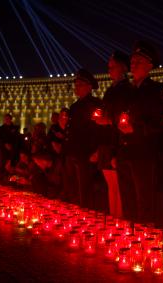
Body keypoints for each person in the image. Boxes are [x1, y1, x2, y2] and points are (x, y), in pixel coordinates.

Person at [115, 41, 163, 223]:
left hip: (145, 154)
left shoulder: (156, 90)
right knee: (128, 201)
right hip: (125, 152)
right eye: (133, 60)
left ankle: (145, 242)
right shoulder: (127, 91)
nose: (134, 64)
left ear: (150, 66)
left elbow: (161, 123)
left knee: (145, 202)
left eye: (139, 61)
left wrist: (136, 129)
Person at [94, 51, 132, 218]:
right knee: (111, 186)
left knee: (120, 188)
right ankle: (113, 220)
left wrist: (109, 121)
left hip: (117, 143)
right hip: (106, 143)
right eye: (108, 67)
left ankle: (120, 222)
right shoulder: (110, 90)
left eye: (112, 67)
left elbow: (126, 115)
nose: (109, 70)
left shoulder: (127, 89)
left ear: (123, 68)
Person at [64, 68, 101, 208]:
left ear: (89, 87)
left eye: (80, 85)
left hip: (85, 153)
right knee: (73, 188)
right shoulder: (74, 106)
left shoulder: (95, 104)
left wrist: (96, 150)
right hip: (72, 152)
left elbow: (97, 130)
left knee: (85, 190)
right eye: (76, 85)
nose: (76, 88)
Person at [0, 113, 19, 182]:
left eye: (8, 118)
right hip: (2, 148)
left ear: (11, 119)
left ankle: (9, 177)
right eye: (5, 119)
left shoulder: (14, 128)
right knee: (2, 162)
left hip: (12, 148)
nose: (6, 120)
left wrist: (13, 146)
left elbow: (16, 138)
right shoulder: (1, 128)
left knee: (11, 162)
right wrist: (5, 144)